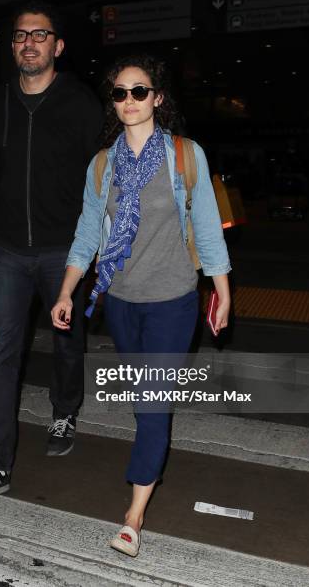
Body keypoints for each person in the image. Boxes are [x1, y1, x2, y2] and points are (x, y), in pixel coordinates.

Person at [51, 54, 231, 556]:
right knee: (144, 398)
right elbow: (88, 234)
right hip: (123, 302)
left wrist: (223, 292)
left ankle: (132, 517)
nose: (128, 100)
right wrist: (67, 290)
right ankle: (150, 452)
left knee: (152, 404)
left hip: (174, 301)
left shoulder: (184, 154)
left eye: (139, 90)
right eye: (119, 92)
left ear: (158, 98)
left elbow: (207, 228)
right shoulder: (103, 164)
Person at [0, 0, 103, 506]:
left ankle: (64, 409)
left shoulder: (81, 103)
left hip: (64, 250)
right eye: (21, 36)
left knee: (67, 340)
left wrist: (97, 246)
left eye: (39, 35)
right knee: (1, 353)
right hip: (4, 251)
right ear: (13, 45)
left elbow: (101, 178)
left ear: (57, 46)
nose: (29, 43)